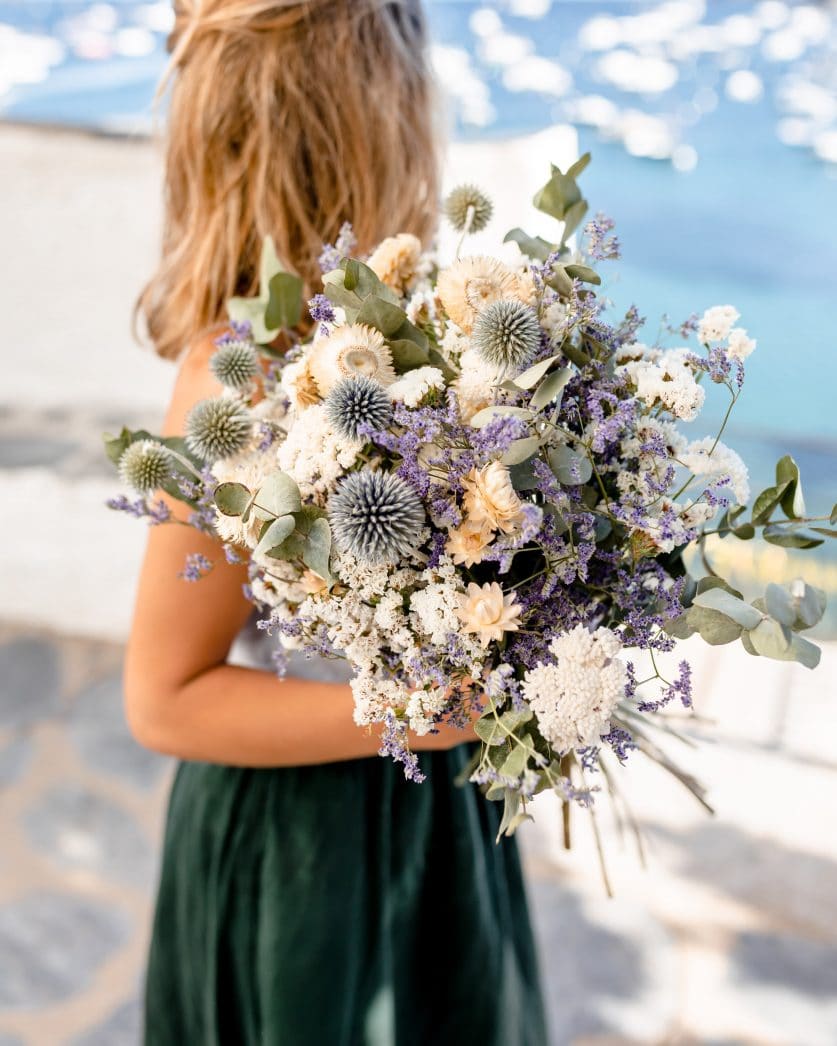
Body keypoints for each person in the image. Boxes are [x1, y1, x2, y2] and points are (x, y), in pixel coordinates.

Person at [126, 1, 548, 1042]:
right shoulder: (236, 380)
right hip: (298, 840)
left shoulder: (451, 329)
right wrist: (429, 714)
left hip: (435, 813)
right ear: (389, 117)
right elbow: (165, 698)